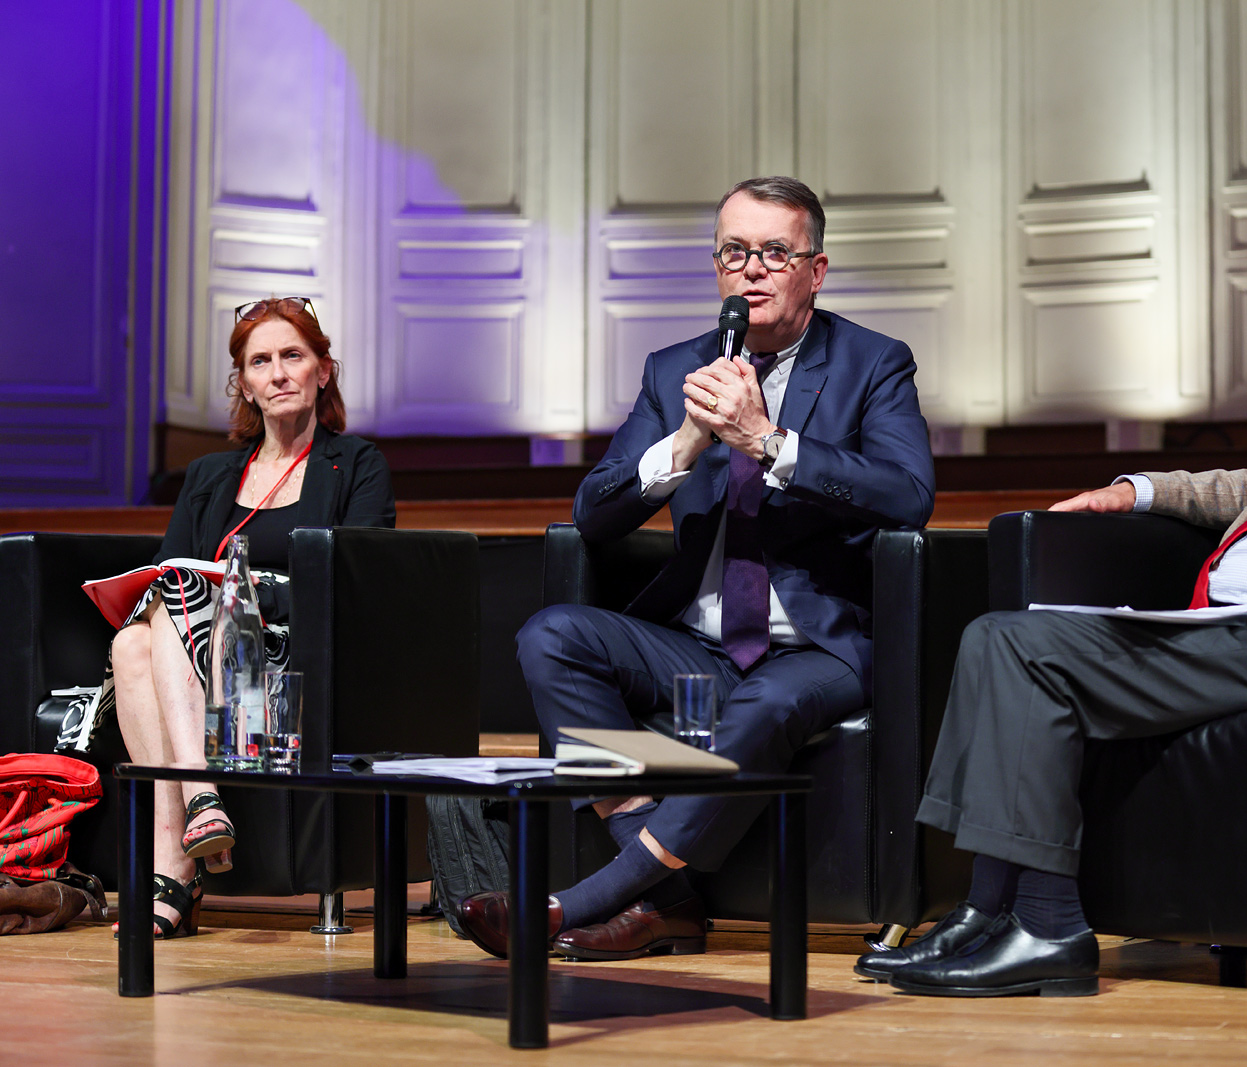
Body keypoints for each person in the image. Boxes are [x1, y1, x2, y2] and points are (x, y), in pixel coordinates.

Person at [857, 225, 1247, 997]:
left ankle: (1049, 925)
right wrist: (1139, 491)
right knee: (994, 637)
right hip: (1222, 630)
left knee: (1023, 648)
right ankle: (988, 908)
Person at [456, 176, 936, 961]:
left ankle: (578, 901)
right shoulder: (675, 368)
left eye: (774, 252)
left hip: (820, 647)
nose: (752, 269)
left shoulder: (873, 362)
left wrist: (768, 442)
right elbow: (594, 512)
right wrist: (684, 441)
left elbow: (909, 495)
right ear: (717, 269)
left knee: (767, 700)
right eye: (735, 252)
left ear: (815, 270)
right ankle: (666, 898)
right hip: (700, 643)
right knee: (552, 636)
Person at [107, 296, 395, 939]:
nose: (278, 373)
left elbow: (361, 578)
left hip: (292, 649)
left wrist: (247, 598)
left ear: (323, 370)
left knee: (158, 627)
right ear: (243, 383)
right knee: (133, 641)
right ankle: (195, 820)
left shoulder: (356, 464)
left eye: (293, 356)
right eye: (260, 362)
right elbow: (168, 569)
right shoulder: (208, 475)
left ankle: (179, 857)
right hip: (200, 646)